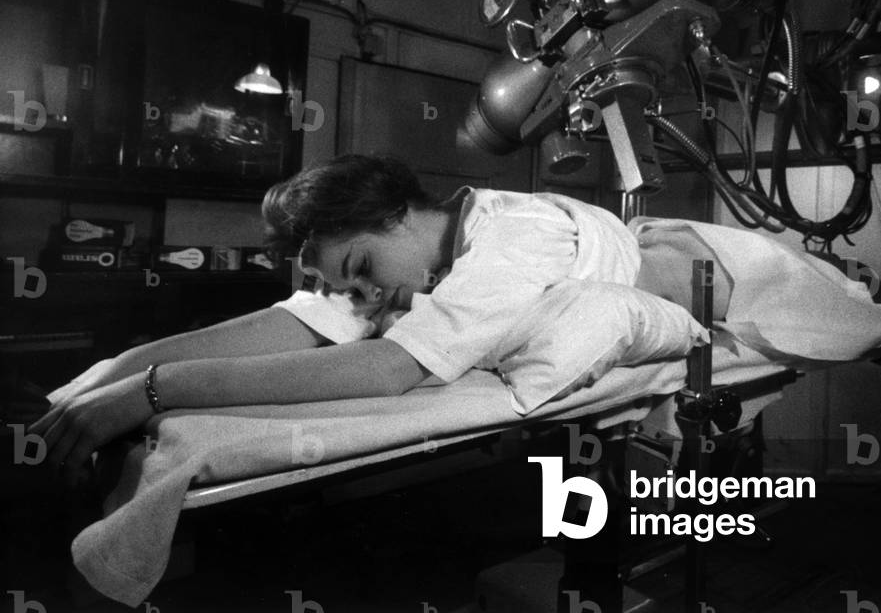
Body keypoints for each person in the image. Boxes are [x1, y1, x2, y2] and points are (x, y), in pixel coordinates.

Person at [30, 155, 730, 487]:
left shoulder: (512, 241)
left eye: (363, 271)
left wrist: (153, 392)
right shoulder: (397, 263)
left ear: (395, 213)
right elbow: (287, 323)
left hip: (695, 274)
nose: (361, 298)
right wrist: (109, 375)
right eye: (349, 285)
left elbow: (391, 368)